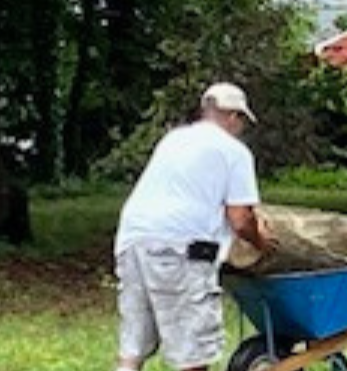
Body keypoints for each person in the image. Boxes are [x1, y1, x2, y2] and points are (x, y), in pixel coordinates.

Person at [114, 83, 274, 371]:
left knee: (133, 347)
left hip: (132, 241)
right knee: (193, 352)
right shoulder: (233, 152)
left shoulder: (173, 140)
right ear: (234, 116)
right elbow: (240, 219)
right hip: (180, 249)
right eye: (242, 122)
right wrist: (262, 242)